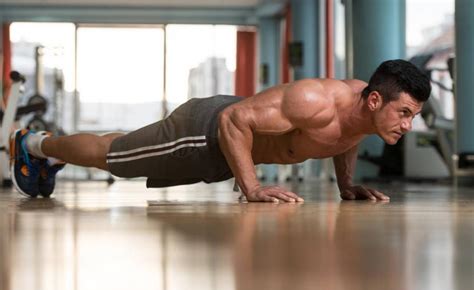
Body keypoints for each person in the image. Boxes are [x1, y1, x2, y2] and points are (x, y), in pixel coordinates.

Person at [9, 59, 431, 202]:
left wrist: (347, 184)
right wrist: (252, 189)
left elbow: (345, 137)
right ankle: (32, 143)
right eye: (406, 113)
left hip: (226, 148)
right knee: (114, 156)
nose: (408, 126)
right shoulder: (315, 100)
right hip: (208, 131)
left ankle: (53, 152)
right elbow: (235, 120)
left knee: (121, 148)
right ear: (376, 100)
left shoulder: (365, 113)